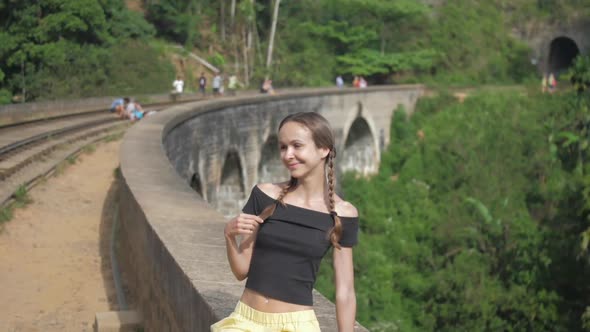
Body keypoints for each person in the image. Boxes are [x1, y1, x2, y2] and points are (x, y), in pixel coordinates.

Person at [211, 112, 359, 332]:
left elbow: (345, 290)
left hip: (297, 325)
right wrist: (229, 236)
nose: (288, 154)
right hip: (244, 321)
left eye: (297, 145)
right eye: (283, 147)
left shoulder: (342, 213)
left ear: (323, 149)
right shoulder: (264, 195)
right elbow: (241, 270)